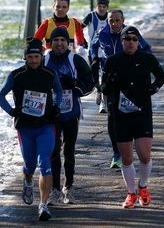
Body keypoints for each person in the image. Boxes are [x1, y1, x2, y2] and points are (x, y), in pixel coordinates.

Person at [0, 37, 62, 221]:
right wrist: (11, 110)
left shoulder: (50, 74)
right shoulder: (16, 75)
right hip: (25, 128)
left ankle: (43, 205)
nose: (34, 60)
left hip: (46, 126)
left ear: (41, 56)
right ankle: (27, 180)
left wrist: (56, 106)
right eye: (30, 57)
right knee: (30, 165)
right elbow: (0, 95)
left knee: (45, 163)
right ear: (25, 58)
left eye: (37, 57)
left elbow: (58, 91)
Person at [100, 26, 164, 209]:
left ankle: (143, 186)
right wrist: (110, 82)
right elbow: (103, 89)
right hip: (121, 115)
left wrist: (155, 88)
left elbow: (161, 76)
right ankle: (131, 193)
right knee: (126, 158)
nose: (131, 42)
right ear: (122, 41)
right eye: (127, 38)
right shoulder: (112, 61)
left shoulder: (147, 58)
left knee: (144, 155)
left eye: (134, 39)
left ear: (138, 42)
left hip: (142, 113)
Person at [90, 9, 152, 169]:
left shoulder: (129, 33)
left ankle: (137, 144)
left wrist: (139, 65)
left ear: (123, 20)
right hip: (111, 80)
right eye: (111, 20)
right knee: (112, 117)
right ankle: (117, 154)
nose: (114, 24)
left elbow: (147, 50)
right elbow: (92, 45)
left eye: (117, 20)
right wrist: (95, 59)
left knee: (133, 113)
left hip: (130, 81)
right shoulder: (101, 33)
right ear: (107, 21)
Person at [43, 27, 95, 205]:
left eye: (63, 40)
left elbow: (90, 83)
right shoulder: (45, 59)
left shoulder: (76, 60)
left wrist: (73, 84)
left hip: (71, 113)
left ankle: (69, 186)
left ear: (68, 43)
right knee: (53, 151)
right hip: (51, 115)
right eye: (56, 40)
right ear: (51, 42)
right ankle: (55, 189)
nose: (59, 44)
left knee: (69, 150)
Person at [81, 0, 110, 109]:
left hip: (105, 51)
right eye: (99, 6)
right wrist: (82, 41)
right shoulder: (91, 16)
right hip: (93, 51)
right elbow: (79, 28)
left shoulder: (110, 17)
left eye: (104, 7)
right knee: (94, 75)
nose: (101, 9)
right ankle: (98, 89)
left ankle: (104, 98)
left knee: (105, 74)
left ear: (107, 7)